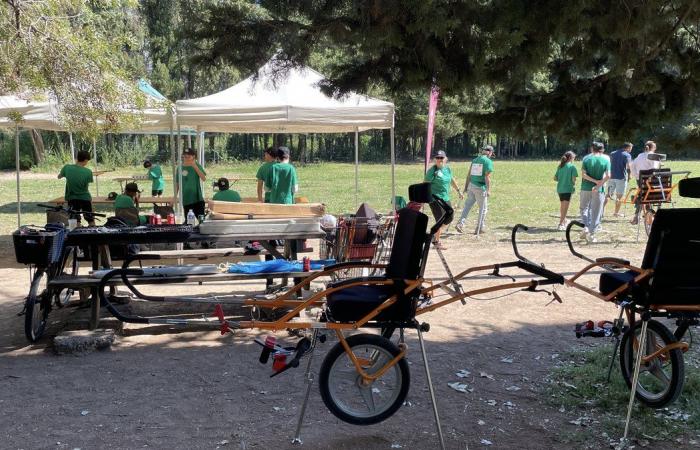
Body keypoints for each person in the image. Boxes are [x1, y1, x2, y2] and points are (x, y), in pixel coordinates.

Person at [424, 150, 462, 249]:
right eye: (438, 158)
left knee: (450, 216)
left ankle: (433, 234)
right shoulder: (432, 171)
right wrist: (424, 198)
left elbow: (451, 180)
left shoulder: (447, 169)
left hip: (445, 197)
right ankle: (436, 242)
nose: (440, 160)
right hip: (434, 198)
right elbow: (425, 184)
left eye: (441, 158)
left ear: (445, 159)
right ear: (434, 159)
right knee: (440, 219)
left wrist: (458, 190)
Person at [455, 145, 494, 235]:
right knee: (483, 209)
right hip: (480, 188)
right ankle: (479, 228)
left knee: (467, 206)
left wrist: (466, 187)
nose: (491, 155)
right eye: (491, 153)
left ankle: (460, 223)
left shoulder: (475, 160)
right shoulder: (488, 161)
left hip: (471, 186)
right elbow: (487, 177)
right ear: (489, 152)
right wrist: (488, 190)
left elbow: (469, 175)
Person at [579, 142, 610, 243]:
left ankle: (585, 226)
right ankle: (591, 234)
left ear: (592, 148)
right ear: (602, 149)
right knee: (597, 211)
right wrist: (598, 184)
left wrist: (594, 181)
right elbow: (608, 175)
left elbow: (583, 175)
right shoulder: (606, 160)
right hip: (599, 189)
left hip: (585, 187)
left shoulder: (586, 159)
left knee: (584, 208)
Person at [58, 150, 95, 225]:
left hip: (72, 198)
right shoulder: (88, 172)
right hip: (85, 198)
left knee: (74, 220)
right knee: (90, 219)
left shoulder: (67, 168)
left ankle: (75, 234)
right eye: (87, 161)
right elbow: (86, 185)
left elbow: (59, 176)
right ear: (85, 160)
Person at [630, 140, 660, 225]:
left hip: (641, 180)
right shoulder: (654, 156)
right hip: (653, 183)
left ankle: (637, 216)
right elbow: (654, 170)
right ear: (653, 148)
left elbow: (632, 165)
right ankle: (648, 215)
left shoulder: (640, 155)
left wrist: (636, 175)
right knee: (646, 196)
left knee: (642, 196)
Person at [176, 148, 207, 220]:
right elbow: (177, 183)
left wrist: (195, 166)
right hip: (186, 199)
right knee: (189, 222)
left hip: (197, 198)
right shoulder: (179, 168)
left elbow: (203, 178)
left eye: (189, 156)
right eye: (185, 156)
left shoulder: (197, 165)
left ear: (193, 157)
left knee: (201, 220)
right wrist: (174, 197)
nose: (186, 158)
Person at [605, 143, 633, 218]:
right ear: (628, 147)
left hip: (611, 176)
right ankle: (616, 213)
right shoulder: (627, 155)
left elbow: (609, 163)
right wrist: (630, 175)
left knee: (608, 195)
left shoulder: (612, 153)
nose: (631, 150)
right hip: (621, 177)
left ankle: (600, 211)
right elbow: (629, 166)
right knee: (619, 196)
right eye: (630, 148)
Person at [553, 151, 578, 230]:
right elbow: (573, 180)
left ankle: (564, 220)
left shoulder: (560, 166)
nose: (574, 160)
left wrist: (562, 179)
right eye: (573, 158)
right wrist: (573, 186)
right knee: (565, 207)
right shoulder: (572, 167)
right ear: (570, 158)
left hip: (560, 189)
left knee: (562, 206)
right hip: (568, 189)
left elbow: (555, 178)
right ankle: (561, 224)